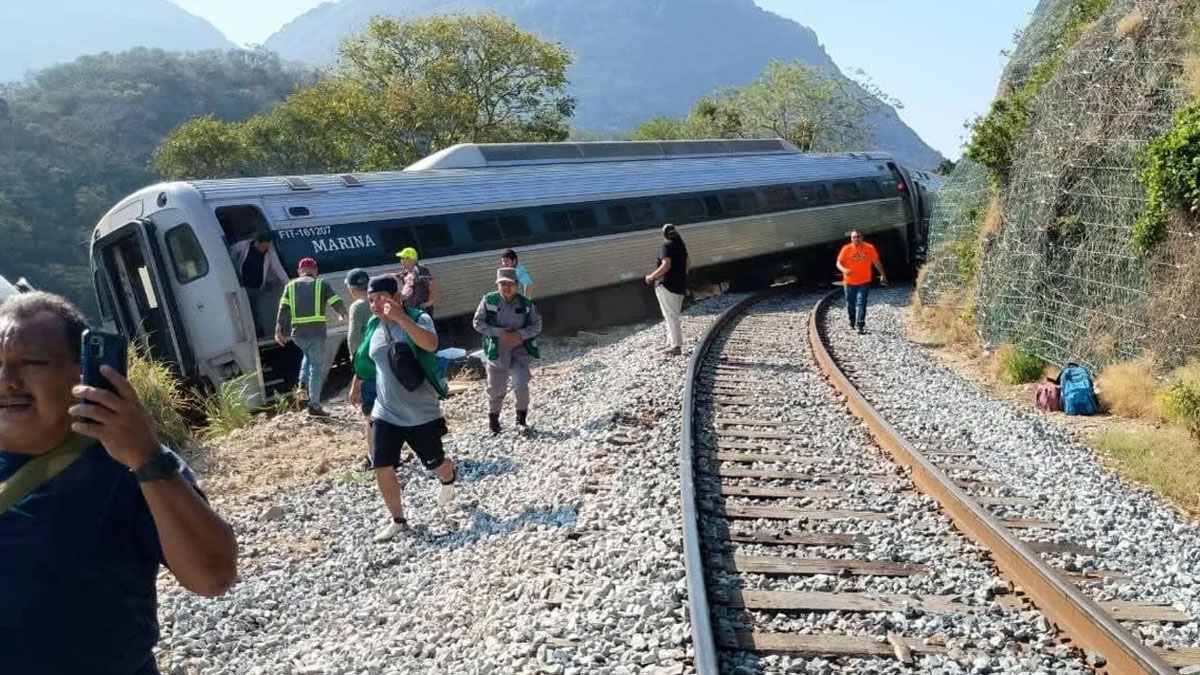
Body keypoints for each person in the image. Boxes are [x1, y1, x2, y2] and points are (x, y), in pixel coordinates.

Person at [0, 292, 237, 674]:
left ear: (85, 374)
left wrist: (146, 458)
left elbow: (214, 576)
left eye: (31, 363)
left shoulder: (129, 464)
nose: (7, 381)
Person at [362, 275, 457, 542]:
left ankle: (449, 478)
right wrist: (357, 383)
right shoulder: (373, 325)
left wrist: (401, 318)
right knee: (381, 466)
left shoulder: (418, 319)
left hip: (421, 413)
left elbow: (430, 344)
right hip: (385, 412)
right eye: (371, 300)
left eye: (381, 299)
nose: (376, 305)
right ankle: (398, 520)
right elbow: (369, 358)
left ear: (397, 297)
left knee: (436, 463)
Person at [473, 268, 543, 435]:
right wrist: (499, 333)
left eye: (510, 284)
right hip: (497, 350)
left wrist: (520, 334)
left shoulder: (526, 304)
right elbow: (477, 323)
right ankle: (494, 422)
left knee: (521, 384)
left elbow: (537, 325)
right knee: (496, 388)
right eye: (502, 284)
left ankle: (521, 421)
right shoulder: (488, 300)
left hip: (520, 349)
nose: (506, 287)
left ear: (517, 285)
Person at [275, 258, 348, 416]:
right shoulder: (322, 284)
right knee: (316, 368)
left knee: (307, 356)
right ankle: (314, 405)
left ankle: (302, 383)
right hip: (316, 332)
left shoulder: (290, 286)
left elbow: (283, 310)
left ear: (299, 271)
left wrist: (278, 330)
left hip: (298, 334)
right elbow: (335, 300)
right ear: (315, 270)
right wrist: (343, 314)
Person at [229, 232, 289, 338]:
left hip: (257, 288)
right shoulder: (244, 246)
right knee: (246, 312)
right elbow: (232, 252)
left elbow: (278, 268)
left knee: (256, 312)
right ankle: (251, 334)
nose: (264, 249)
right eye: (263, 247)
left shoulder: (269, 253)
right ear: (257, 242)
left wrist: (288, 283)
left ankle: (258, 334)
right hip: (243, 287)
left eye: (267, 247)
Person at [344, 268, 376, 463]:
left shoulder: (358, 306)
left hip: (367, 365)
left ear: (351, 288)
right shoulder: (378, 301)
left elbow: (354, 339)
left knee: (371, 413)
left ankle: (375, 456)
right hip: (383, 361)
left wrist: (356, 368)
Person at [644, 223, 690, 357]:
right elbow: (688, 265)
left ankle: (676, 346)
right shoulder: (681, 246)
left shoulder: (666, 246)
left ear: (663, 234)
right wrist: (680, 277)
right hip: (679, 285)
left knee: (671, 316)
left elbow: (666, 265)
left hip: (667, 285)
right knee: (671, 315)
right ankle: (670, 342)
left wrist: (651, 276)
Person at [835, 230, 887, 334]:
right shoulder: (846, 249)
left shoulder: (869, 248)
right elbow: (838, 263)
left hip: (864, 281)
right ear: (851, 239)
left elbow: (876, 262)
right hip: (849, 282)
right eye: (853, 237)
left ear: (862, 238)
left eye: (858, 236)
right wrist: (844, 270)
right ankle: (852, 321)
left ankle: (860, 325)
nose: (856, 239)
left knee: (861, 302)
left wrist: (883, 274)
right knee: (850, 304)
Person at [395, 247, 439, 315]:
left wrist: (429, 302)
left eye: (403, 259)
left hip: (421, 310)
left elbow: (433, 285)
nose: (401, 261)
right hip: (410, 309)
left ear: (410, 260)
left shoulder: (421, 270)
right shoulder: (406, 272)